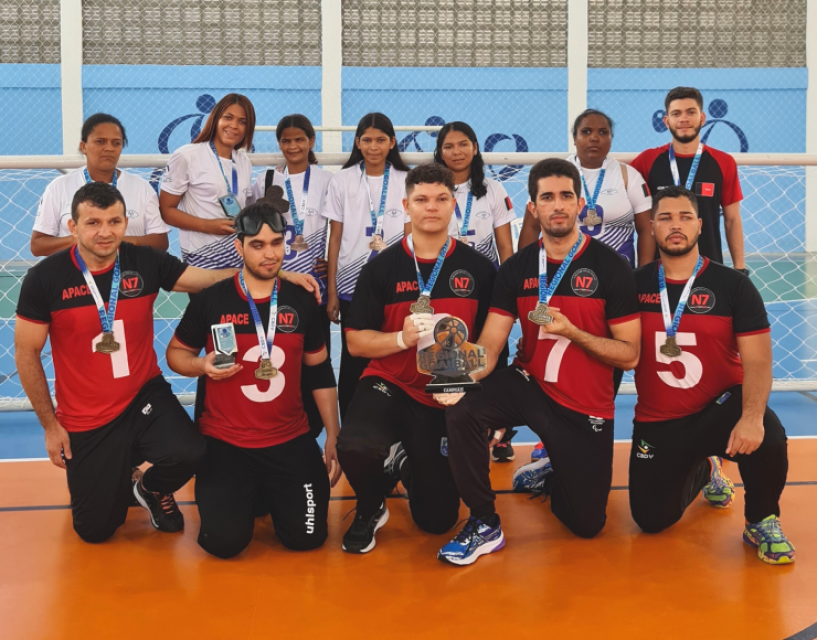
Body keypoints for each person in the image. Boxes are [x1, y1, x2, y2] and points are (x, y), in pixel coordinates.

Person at [15, 182, 321, 544]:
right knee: (95, 530)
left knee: (190, 451)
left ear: (126, 222)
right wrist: (50, 426)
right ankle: (121, 473)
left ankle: (150, 487)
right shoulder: (45, 278)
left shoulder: (144, 261)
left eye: (114, 221)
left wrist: (276, 275)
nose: (105, 232)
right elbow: (26, 353)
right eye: (93, 223)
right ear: (73, 227)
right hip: (86, 415)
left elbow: (208, 279)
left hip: (142, 395)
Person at [435, 159, 641, 566]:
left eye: (566, 196)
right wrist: (456, 376)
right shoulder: (518, 268)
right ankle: (484, 521)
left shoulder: (611, 266)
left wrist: (573, 332)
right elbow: (491, 344)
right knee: (463, 410)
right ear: (533, 208)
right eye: (547, 197)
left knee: (586, 524)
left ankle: (554, 469)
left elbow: (630, 355)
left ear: (580, 203)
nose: (557, 205)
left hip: (583, 403)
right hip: (529, 384)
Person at [167, 200, 341, 559]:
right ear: (239, 246)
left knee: (306, 539)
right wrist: (201, 366)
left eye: (276, 243)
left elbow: (319, 371)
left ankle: (268, 490)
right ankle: (254, 492)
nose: (269, 254)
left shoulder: (302, 300)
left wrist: (333, 435)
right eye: (258, 245)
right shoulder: (211, 300)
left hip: (288, 438)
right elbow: (176, 355)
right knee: (223, 544)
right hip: (226, 441)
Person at [336, 163, 496, 554]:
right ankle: (370, 505)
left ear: (453, 203)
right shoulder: (381, 267)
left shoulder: (479, 269)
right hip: (389, 382)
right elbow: (355, 342)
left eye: (441, 199)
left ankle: (404, 462)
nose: (432, 207)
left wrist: (471, 398)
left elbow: (490, 345)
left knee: (437, 520)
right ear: (406, 206)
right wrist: (401, 338)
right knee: (355, 445)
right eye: (422, 199)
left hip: (443, 394)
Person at [629, 185, 794, 565]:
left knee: (768, 434)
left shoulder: (733, 285)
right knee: (651, 520)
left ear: (700, 225)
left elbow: (758, 361)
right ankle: (705, 469)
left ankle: (761, 520)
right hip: (659, 420)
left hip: (719, 408)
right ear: (651, 226)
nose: (676, 225)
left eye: (685, 217)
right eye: (665, 218)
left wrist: (751, 417)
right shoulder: (633, 285)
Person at [517, 109, 652, 465]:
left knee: (608, 356)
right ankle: (549, 438)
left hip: (611, 286)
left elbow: (646, 229)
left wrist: (641, 276)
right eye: (587, 131)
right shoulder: (557, 174)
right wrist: (523, 277)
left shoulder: (628, 176)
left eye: (603, 132)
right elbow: (530, 228)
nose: (595, 137)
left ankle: (590, 428)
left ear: (611, 137)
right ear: (574, 137)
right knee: (552, 357)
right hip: (559, 284)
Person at [248, 114, 333, 439]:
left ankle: (312, 431)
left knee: (314, 361)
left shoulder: (327, 180)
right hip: (276, 283)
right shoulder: (266, 180)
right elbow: (253, 230)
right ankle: (276, 427)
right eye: (286, 140)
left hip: (314, 286)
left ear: (311, 141)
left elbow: (339, 226)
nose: (293, 146)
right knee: (277, 353)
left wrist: (332, 263)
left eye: (299, 139)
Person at [324, 112, 411, 418]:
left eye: (381, 140)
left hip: (395, 285)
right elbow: (334, 238)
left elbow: (412, 238)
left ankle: (394, 429)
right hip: (351, 287)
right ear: (357, 143)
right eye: (367, 140)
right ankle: (351, 426)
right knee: (353, 362)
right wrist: (332, 292)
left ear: (392, 143)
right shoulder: (342, 180)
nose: (374, 147)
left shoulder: (406, 180)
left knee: (395, 355)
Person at [630, 86, 746, 271]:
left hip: (709, 268)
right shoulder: (646, 161)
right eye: (676, 113)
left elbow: (732, 220)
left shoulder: (724, 162)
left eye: (690, 112)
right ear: (666, 121)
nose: (683, 119)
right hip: (659, 270)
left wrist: (740, 267)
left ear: (702, 118)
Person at [31, 113, 169, 257]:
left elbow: (160, 241)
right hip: (76, 270)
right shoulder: (59, 187)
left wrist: (115, 240)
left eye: (116, 143)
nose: (109, 148)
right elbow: (38, 246)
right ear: (83, 146)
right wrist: (82, 239)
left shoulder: (142, 187)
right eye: (100, 141)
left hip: (129, 270)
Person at [159, 93, 256, 269]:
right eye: (228, 117)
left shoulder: (244, 162)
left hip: (238, 256)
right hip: (201, 257)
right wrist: (207, 226)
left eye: (242, 121)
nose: (234, 126)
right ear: (215, 119)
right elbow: (166, 210)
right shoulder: (187, 156)